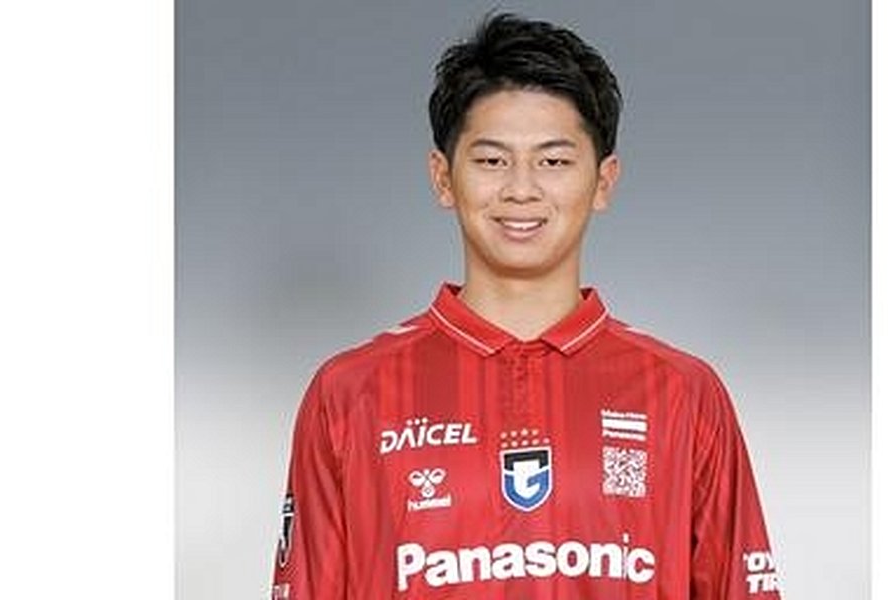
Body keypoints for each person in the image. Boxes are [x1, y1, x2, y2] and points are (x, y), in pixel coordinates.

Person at [271, 12, 781, 599]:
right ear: (443, 178)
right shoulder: (348, 395)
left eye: (553, 161)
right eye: (492, 160)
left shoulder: (684, 395)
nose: (520, 189)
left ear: (603, 182)